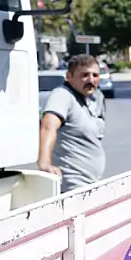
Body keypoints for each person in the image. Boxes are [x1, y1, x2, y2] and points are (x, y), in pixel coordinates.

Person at [38, 54, 106, 193]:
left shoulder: (95, 98)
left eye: (95, 75)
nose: (91, 80)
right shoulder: (62, 95)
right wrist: (44, 163)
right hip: (73, 186)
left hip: (92, 183)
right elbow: (48, 126)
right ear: (69, 77)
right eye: (84, 75)